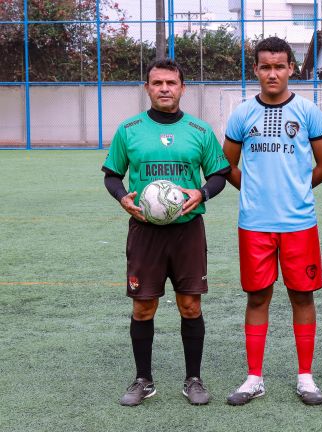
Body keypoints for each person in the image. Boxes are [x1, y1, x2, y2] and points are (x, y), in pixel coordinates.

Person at [102, 59, 231, 406]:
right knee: (143, 307)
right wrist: (122, 197)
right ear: (147, 88)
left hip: (187, 231)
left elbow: (220, 174)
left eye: (170, 83)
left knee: (190, 305)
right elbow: (112, 175)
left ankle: (194, 379)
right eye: (157, 83)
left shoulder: (200, 131)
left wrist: (201, 193)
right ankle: (143, 379)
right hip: (145, 232)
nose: (164, 88)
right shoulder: (129, 130)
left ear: (182, 88)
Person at [222, 37, 322, 406]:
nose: (272, 73)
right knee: (258, 297)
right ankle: (254, 378)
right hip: (254, 222)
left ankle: (306, 377)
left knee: (302, 295)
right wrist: (253, 191)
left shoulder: (309, 111)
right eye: (265, 67)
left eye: (279, 66)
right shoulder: (241, 113)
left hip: (299, 222)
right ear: (255, 69)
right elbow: (227, 166)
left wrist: (298, 190)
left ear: (290, 69)